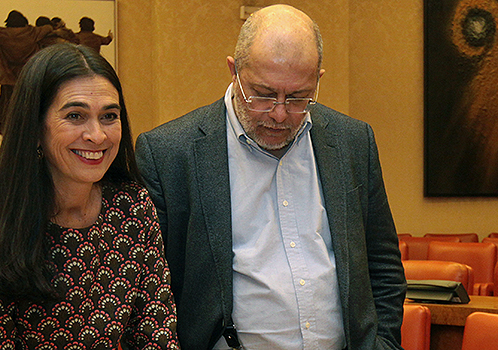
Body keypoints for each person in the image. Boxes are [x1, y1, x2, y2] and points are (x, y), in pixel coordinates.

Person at [135, 4, 405, 349]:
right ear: (234, 71)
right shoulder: (169, 153)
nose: (280, 114)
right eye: (262, 95)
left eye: (297, 97)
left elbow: (382, 263)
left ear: (318, 79)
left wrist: (383, 343)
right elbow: (149, 293)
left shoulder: (352, 141)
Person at [0, 43, 180, 349]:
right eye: (75, 116)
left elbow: (156, 333)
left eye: (109, 116)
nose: (97, 135)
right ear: (35, 127)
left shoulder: (132, 206)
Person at [0, 9, 52, 132]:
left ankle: (5, 125)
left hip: (8, 76)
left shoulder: (3, 34)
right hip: (27, 75)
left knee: (7, 101)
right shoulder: (33, 32)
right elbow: (48, 28)